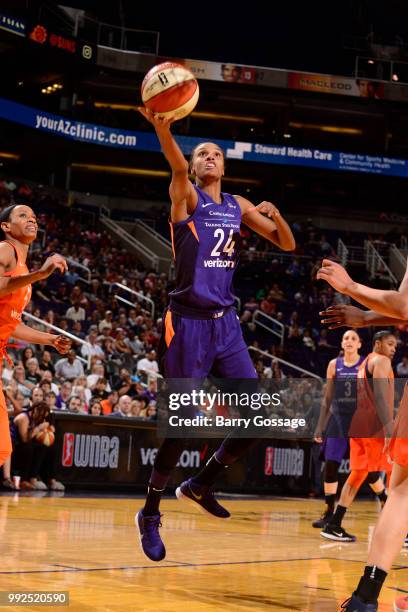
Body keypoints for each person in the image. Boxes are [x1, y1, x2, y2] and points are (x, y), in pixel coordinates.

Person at [135, 107, 295, 562]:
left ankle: (202, 482)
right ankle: (149, 512)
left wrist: (276, 213)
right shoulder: (185, 196)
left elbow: (286, 243)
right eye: (201, 153)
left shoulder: (237, 206)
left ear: (224, 166)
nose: (208, 158)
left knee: (257, 417)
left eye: (215, 154)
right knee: (184, 427)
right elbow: (177, 167)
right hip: (186, 322)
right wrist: (164, 131)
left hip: (225, 324)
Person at [317, 259, 408, 611]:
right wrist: (366, 316)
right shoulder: (371, 363)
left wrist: (354, 290)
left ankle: (365, 597)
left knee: (399, 492)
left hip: (367, 425)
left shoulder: (376, 362)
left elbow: (403, 305)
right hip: (362, 426)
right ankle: (334, 519)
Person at [0, 204, 71, 470]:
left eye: (33, 217)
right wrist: (42, 274)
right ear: (6, 227)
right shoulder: (5, 249)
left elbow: (11, 324)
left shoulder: (22, 266)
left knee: (2, 447)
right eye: (22, 215)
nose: (31, 220)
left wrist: (49, 339)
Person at [320, 331, 396, 543]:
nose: (394, 348)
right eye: (390, 343)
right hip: (374, 426)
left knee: (357, 474)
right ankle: (401, 532)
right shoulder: (381, 361)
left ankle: (334, 524)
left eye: (395, 345)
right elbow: (380, 397)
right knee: (396, 474)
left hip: (358, 424)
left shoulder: (363, 365)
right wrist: (390, 429)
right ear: (377, 344)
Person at [312, 329, 364, 529]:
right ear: (342, 344)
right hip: (338, 419)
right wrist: (320, 425)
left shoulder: (365, 364)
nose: (349, 341)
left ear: (359, 344)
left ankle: (384, 498)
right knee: (331, 465)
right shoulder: (334, 364)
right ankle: (328, 511)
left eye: (353, 338)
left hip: (360, 419)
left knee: (367, 469)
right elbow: (327, 397)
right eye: (345, 338)